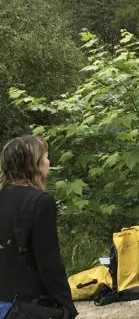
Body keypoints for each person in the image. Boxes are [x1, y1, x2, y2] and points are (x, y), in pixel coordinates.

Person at [0, 136, 78, 319]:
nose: (48, 162)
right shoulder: (39, 202)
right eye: (45, 156)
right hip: (23, 304)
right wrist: (66, 305)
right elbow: (48, 261)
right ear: (34, 164)